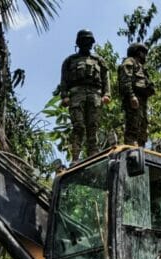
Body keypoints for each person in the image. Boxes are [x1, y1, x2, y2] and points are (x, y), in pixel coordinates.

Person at [59, 29, 111, 162]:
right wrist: (64, 96)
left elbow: (106, 78)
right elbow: (64, 80)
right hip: (76, 95)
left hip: (95, 95)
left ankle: (93, 156)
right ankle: (75, 158)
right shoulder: (70, 61)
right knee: (78, 127)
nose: (87, 44)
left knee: (93, 127)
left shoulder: (99, 60)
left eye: (89, 41)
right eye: (84, 41)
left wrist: (107, 94)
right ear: (79, 43)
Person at [118, 43, 154, 146]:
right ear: (137, 52)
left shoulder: (141, 67)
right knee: (132, 128)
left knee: (143, 130)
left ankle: (140, 150)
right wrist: (131, 96)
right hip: (134, 98)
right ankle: (131, 149)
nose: (145, 56)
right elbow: (126, 80)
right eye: (143, 53)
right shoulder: (129, 62)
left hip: (142, 100)